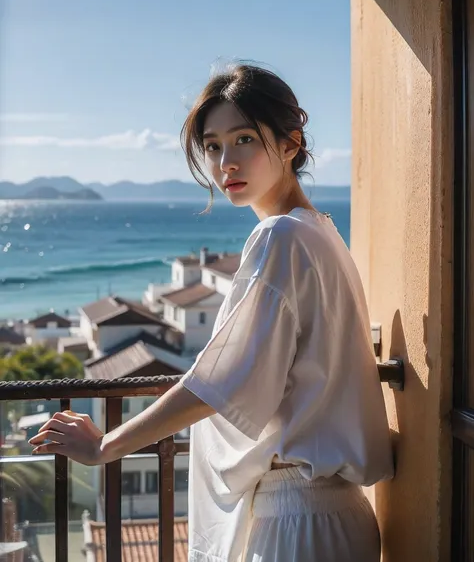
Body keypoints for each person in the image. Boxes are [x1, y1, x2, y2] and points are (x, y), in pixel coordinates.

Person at [29, 64, 394, 561]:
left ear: (291, 143)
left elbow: (218, 384)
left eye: (244, 138)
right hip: (332, 516)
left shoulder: (281, 236)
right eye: (213, 145)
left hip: (299, 522)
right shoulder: (321, 231)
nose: (226, 162)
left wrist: (104, 446)